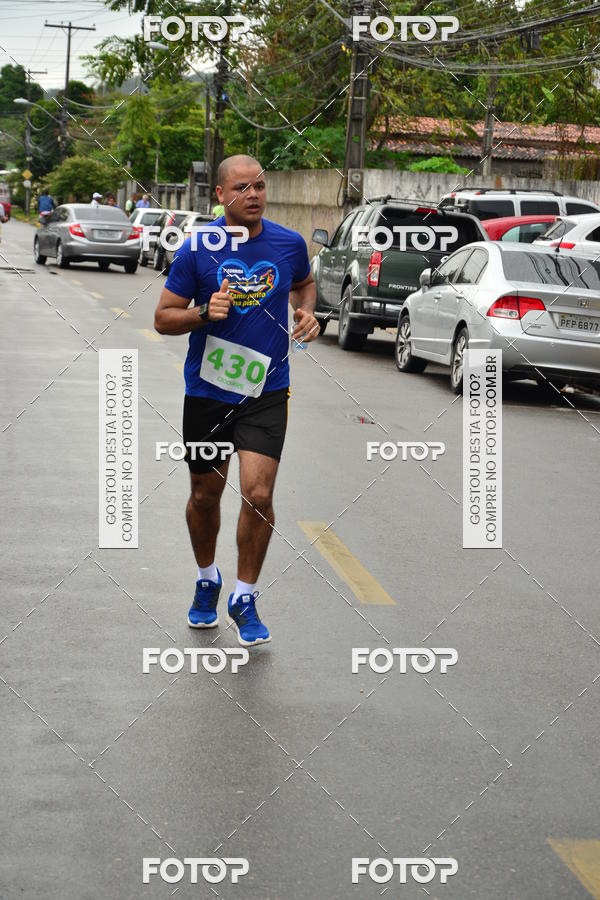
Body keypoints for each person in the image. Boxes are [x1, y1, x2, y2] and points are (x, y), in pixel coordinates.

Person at [154, 155, 319, 647]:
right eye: (242, 187)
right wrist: (204, 312)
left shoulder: (289, 244)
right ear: (221, 196)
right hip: (207, 392)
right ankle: (208, 580)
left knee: (260, 493)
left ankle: (245, 595)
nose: (254, 194)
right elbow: (163, 318)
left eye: (261, 186)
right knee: (205, 495)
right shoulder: (196, 250)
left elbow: (304, 284)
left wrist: (307, 315)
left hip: (266, 389)